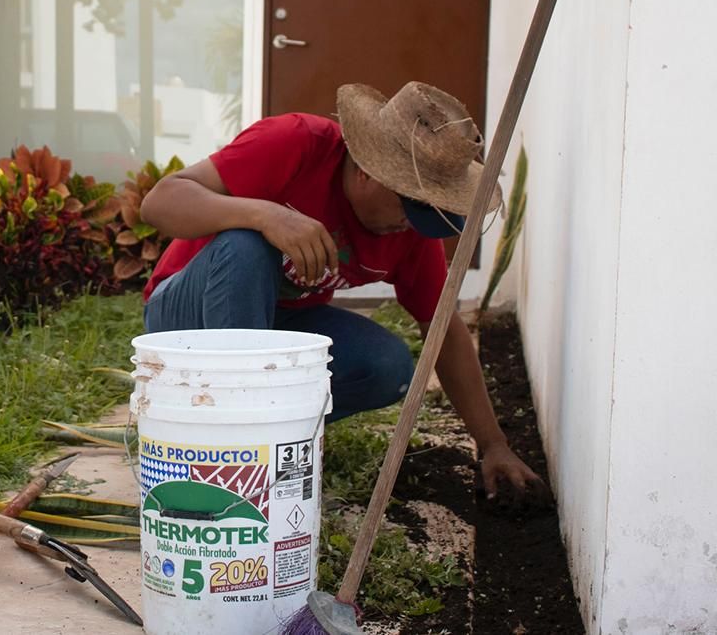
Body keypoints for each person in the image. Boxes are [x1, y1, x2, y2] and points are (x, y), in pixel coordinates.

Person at [139, 81, 544, 499]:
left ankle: (275, 434)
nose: (409, 225)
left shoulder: (409, 235)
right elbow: (159, 203)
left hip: (279, 321)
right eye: (410, 207)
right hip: (186, 323)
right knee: (247, 246)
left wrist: (493, 445)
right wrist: (265, 215)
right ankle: (237, 448)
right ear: (370, 169)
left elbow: (443, 329)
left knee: (386, 364)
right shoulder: (297, 143)